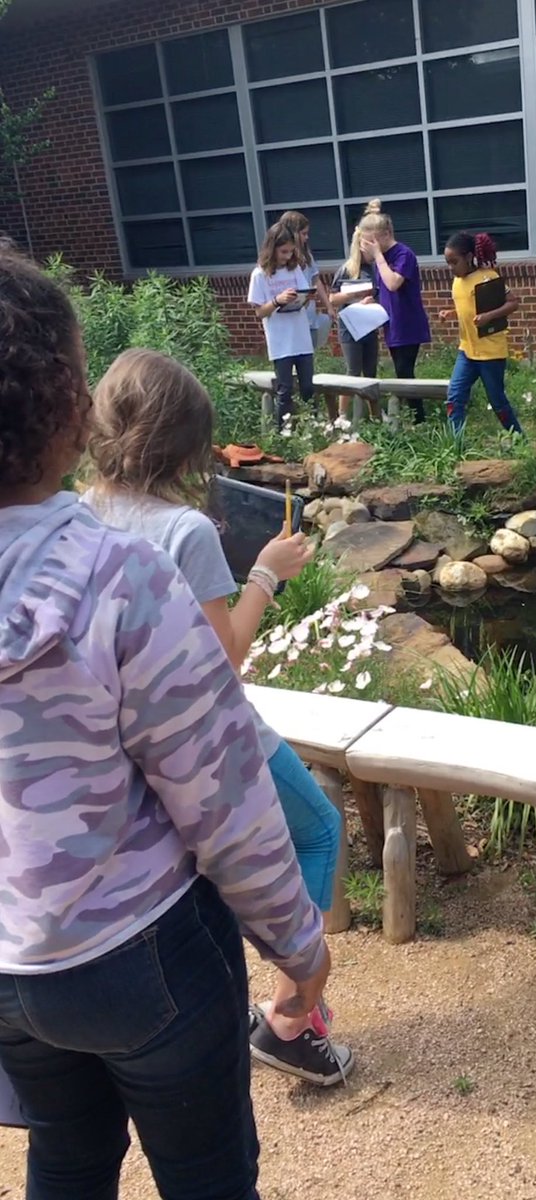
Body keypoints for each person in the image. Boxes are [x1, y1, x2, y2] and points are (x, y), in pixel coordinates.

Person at [0, 248, 329, 1199]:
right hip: (138, 952)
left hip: (11, 966)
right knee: (207, 1178)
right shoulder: (119, 577)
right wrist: (299, 950)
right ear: (68, 407)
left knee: (66, 1161)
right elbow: (223, 797)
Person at [84, 347, 354, 1086]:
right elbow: (222, 659)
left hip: (125, 737)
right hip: (208, 733)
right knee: (318, 828)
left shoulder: (81, 511)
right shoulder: (186, 531)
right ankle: (291, 1019)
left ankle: (233, 1005)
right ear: (184, 443)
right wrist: (267, 572)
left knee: (193, 869)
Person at [438, 231, 524, 437]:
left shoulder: (488, 278)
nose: (451, 268)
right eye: (447, 263)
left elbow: (512, 303)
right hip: (467, 351)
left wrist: (489, 316)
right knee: (454, 397)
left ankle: (518, 438)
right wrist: (451, 313)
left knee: (497, 400)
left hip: (490, 353)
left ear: (469, 257)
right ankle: (456, 444)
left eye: (455, 262)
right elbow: (469, 308)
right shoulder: (457, 282)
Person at [358, 199, 430, 424]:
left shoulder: (403, 254)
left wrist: (378, 256)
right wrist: (373, 300)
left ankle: (418, 420)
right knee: (401, 372)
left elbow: (393, 283)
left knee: (405, 372)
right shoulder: (382, 259)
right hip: (392, 324)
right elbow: (385, 291)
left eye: (372, 241)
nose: (369, 247)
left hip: (408, 323)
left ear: (385, 235)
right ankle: (412, 418)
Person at [247, 222, 315, 433]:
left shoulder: (294, 269)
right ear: (272, 248)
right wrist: (278, 300)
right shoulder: (260, 275)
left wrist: (302, 298)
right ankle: (282, 433)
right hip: (280, 341)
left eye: (291, 251)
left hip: (301, 337)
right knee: (285, 390)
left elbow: (305, 296)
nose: (287, 256)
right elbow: (259, 312)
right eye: (283, 251)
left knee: (307, 388)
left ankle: (310, 430)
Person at [329, 224, 382, 422]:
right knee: (353, 370)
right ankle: (342, 415)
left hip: (369, 325)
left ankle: (375, 415)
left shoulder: (375, 269)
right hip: (350, 327)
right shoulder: (346, 269)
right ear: (360, 246)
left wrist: (371, 301)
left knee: (370, 371)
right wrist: (354, 295)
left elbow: (380, 294)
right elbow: (333, 299)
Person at [279, 209, 336, 356]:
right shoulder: (282, 260)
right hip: (293, 319)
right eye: (303, 234)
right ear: (293, 233)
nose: (307, 237)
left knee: (310, 357)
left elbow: (316, 280)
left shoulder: (307, 255)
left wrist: (329, 307)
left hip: (310, 317)